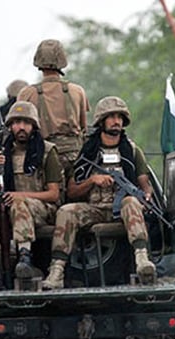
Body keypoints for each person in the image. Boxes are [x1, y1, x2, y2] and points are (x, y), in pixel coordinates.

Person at [42, 96, 156, 290]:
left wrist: (145, 196)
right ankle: (57, 271)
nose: (116, 121)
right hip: (95, 209)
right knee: (66, 211)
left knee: (131, 202)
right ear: (101, 121)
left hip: (123, 210)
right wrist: (92, 180)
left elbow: (144, 183)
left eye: (119, 117)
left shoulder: (132, 150)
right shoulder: (88, 152)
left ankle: (142, 261)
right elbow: (72, 190)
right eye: (111, 117)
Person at [0, 101, 63, 291]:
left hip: (43, 210)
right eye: (16, 122)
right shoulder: (5, 152)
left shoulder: (47, 151)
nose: (21, 127)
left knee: (18, 202)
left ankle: (25, 257)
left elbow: (54, 194)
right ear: (10, 126)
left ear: (34, 126)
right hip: (12, 208)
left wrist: (19, 195)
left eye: (26, 122)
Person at [17, 39, 89, 171]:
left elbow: (18, 128)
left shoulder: (26, 93)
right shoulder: (77, 91)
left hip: (42, 156)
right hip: (75, 157)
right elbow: (83, 127)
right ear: (62, 61)